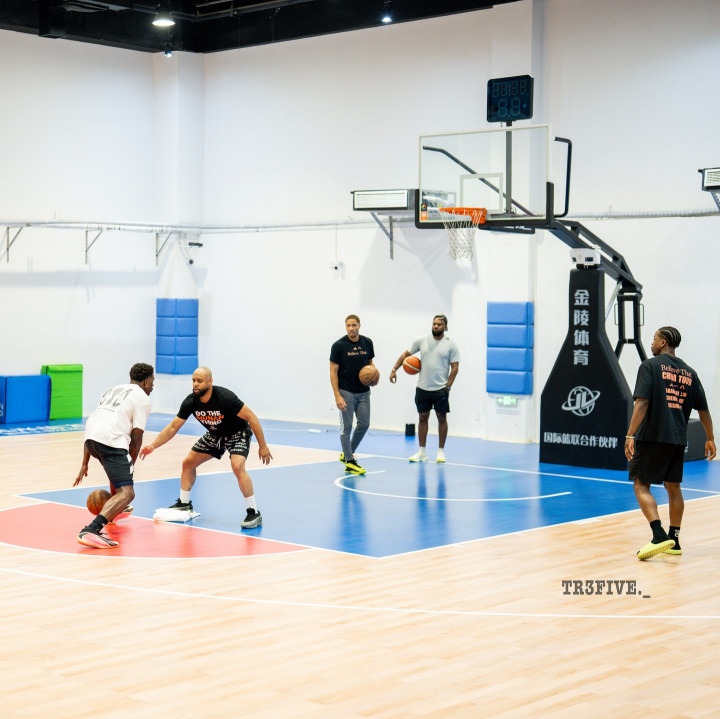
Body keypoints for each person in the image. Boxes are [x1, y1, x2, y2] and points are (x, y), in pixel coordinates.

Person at [139, 366, 272, 528]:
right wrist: (153, 445)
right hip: (216, 434)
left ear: (210, 381)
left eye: (199, 381)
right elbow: (173, 427)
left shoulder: (225, 397)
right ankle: (184, 503)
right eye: (193, 380)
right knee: (188, 463)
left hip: (237, 433)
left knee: (237, 466)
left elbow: (251, 417)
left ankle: (253, 512)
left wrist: (263, 446)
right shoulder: (191, 402)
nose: (195, 384)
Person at [625, 326, 715, 560]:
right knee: (673, 487)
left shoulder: (650, 366)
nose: (651, 342)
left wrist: (630, 434)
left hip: (653, 435)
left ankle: (658, 534)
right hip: (677, 438)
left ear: (663, 342)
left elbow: (642, 402)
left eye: (654, 338)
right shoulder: (690, 373)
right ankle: (674, 540)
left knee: (641, 484)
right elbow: (703, 410)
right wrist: (710, 438)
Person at [74, 363, 155, 549]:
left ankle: (114, 511)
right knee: (127, 492)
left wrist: (85, 463)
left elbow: (97, 422)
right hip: (110, 440)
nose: (152, 386)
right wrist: (130, 465)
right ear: (145, 382)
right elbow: (136, 438)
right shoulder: (142, 398)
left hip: (91, 439)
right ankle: (91, 530)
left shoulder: (113, 389)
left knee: (118, 479)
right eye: (152, 381)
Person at [389, 314, 460, 463]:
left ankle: (440, 452)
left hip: (440, 389)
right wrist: (394, 369)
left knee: (441, 418)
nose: (436, 326)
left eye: (439, 324)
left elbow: (455, 368)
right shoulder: (421, 340)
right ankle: (422, 452)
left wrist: (448, 386)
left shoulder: (451, 345)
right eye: (434, 324)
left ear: (445, 327)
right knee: (422, 418)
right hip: (422, 388)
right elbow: (406, 354)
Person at [329, 314, 376, 475]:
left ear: (359, 326)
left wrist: (374, 376)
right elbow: (333, 371)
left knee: (364, 424)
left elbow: (370, 365)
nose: (351, 328)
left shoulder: (367, 342)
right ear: (345, 327)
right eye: (348, 325)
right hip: (346, 392)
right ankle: (349, 461)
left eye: (354, 325)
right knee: (346, 428)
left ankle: (347, 452)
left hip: (363, 392)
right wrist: (337, 395)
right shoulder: (339, 346)